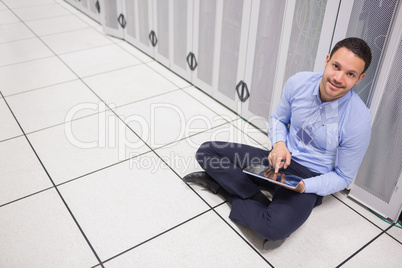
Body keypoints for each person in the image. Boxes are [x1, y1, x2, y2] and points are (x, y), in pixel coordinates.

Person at [183, 37, 372, 248]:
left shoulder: (359, 120)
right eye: (336, 66)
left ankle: (224, 189)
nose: (338, 77)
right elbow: (278, 119)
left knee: (273, 228)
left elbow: (343, 176)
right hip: (279, 160)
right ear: (327, 60)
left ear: (360, 78)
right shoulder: (299, 83)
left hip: (310, 177)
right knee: (207, 152)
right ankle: (259, 201)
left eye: (350, 74)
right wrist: (279, 144)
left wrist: (304, 186)